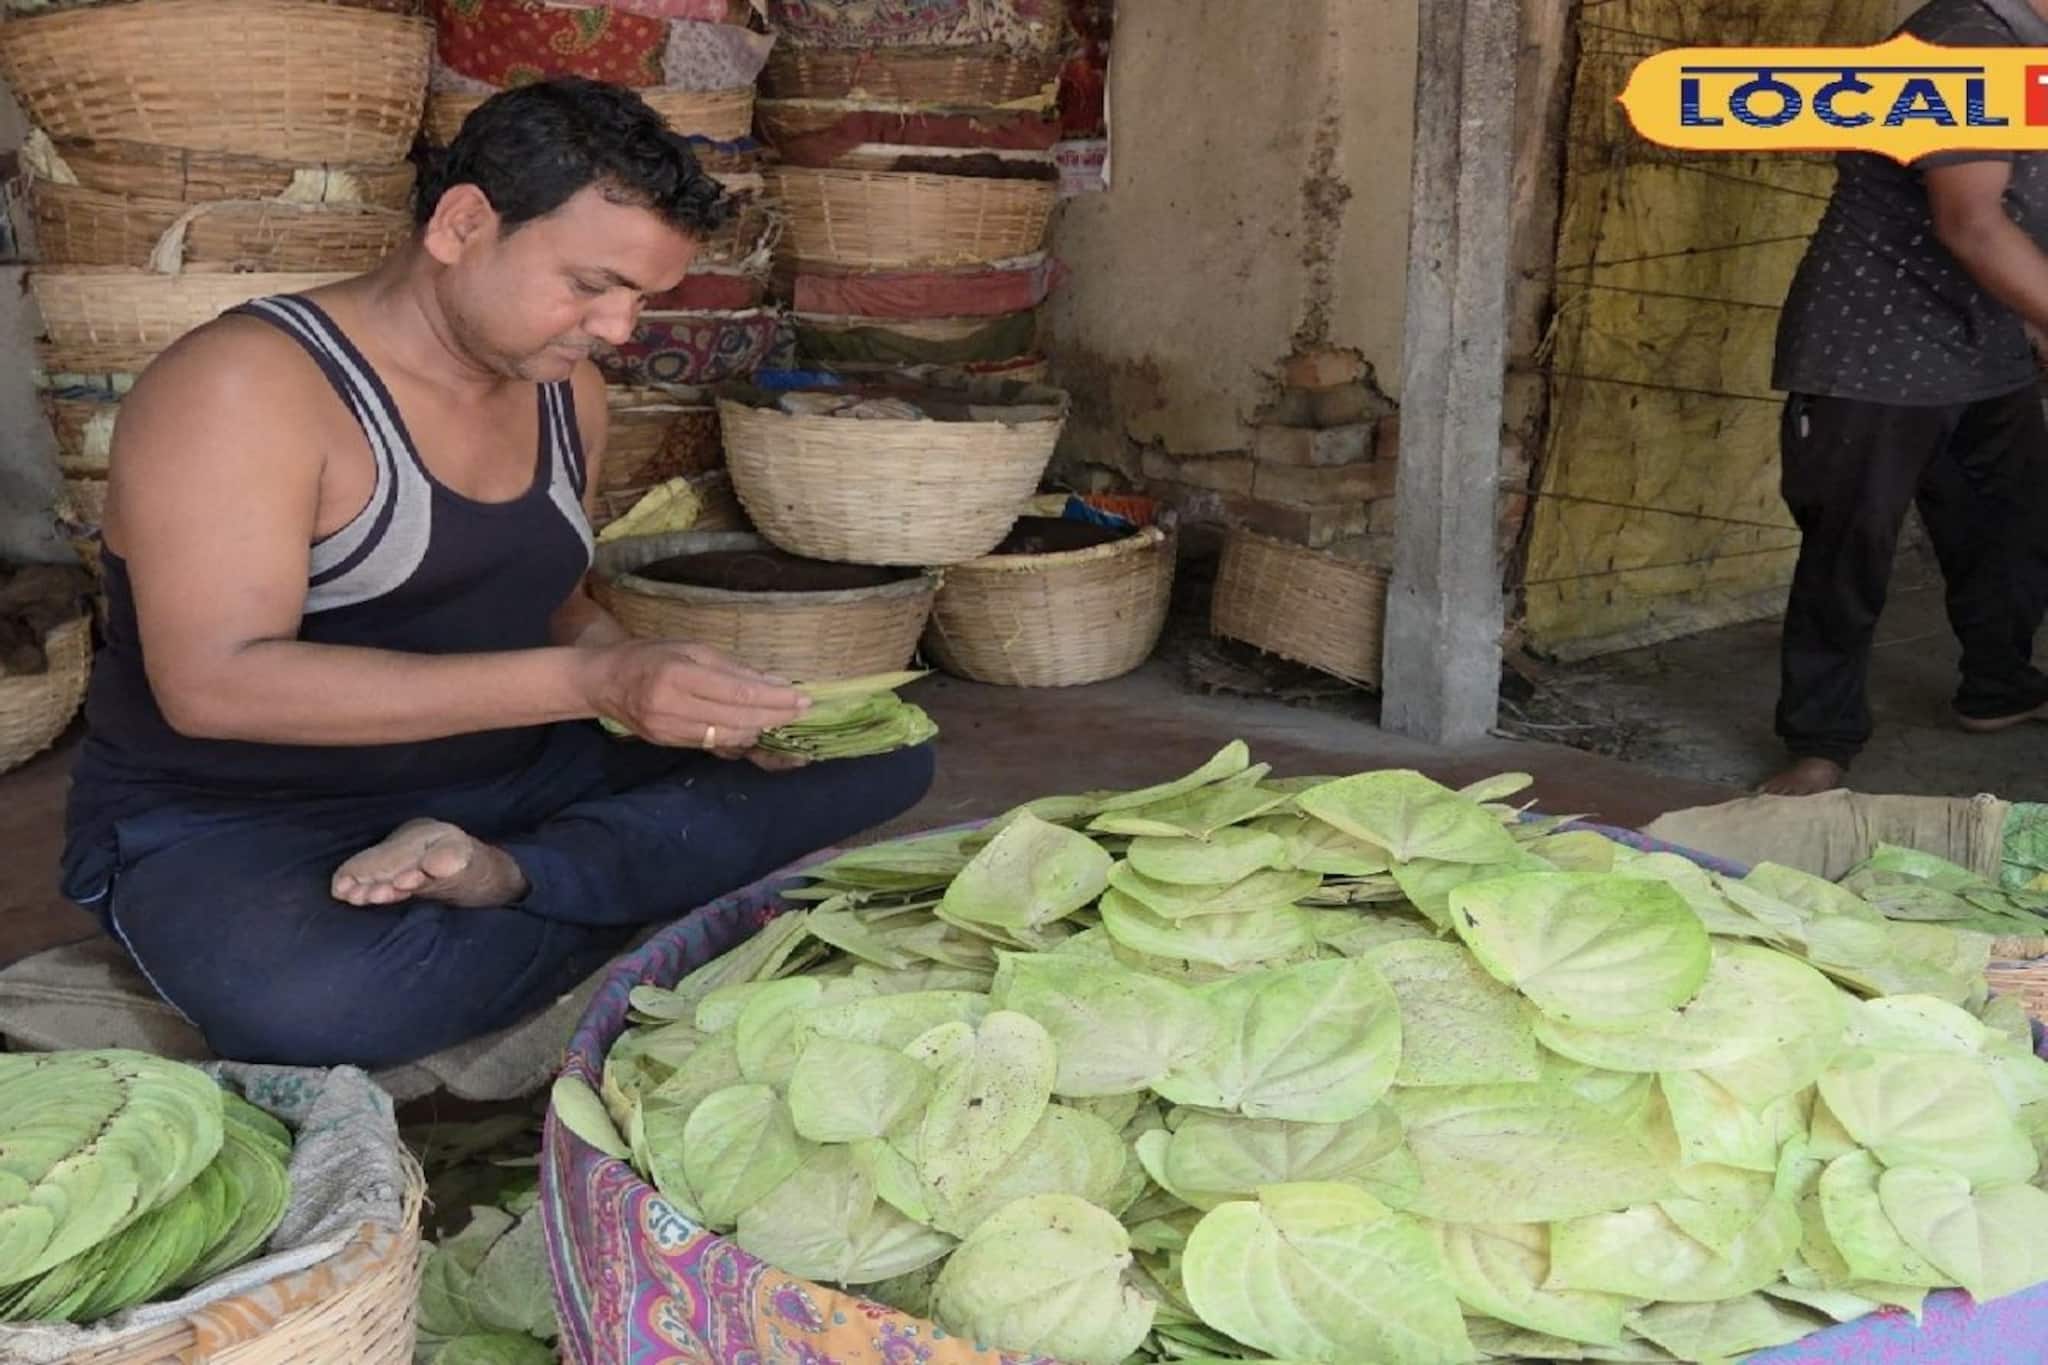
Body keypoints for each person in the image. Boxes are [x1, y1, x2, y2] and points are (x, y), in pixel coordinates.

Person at [57, 78, 935, 1069]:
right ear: (463, 224)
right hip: (244, 817)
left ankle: (503, 878)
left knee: (877, 752)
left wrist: (663, 688)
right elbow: (215, 684)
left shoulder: (570, 393)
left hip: (503, 775)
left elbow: (553, 601)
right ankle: (598, 888)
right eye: (589, 284)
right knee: (320, 1009)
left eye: (641, 297)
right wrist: (588, 684)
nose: (616, 329)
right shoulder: (246, 386)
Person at [1765, 0, 2048, 796]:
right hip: (1874, 345)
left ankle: (2000, 687)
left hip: (1984, 336)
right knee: (1850, 547)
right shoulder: (1962, 44)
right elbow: (1974, 224)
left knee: (2012, 524)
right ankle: (1819, 742)